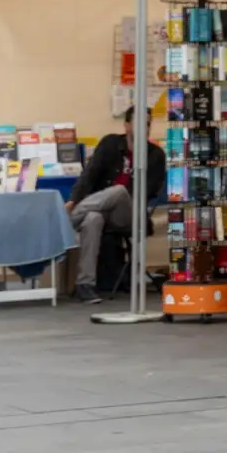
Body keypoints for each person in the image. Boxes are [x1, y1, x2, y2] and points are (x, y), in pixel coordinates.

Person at [65, 106, 166, 304]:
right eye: (139, 124)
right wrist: (72, 200)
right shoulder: (110, 143)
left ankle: (66, 222)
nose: (144, 129)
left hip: (131, 213)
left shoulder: (155, 155)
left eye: (147, 124)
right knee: (92, 219)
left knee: (119, 191)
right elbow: (89, 175)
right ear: (127, 125)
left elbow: (146, 192)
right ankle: (85, 285)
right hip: (103, 210)